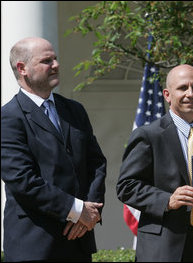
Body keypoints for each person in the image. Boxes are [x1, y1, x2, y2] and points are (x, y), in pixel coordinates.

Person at [1, 37, 107, 262]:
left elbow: (96, 163)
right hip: (35, 246)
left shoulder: (74, 110)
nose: (56, 65)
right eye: (47, 61)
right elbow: (23, 181)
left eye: (55, 59)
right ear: (23, 69)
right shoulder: (9, 118)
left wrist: (90, 213)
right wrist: (77, 210)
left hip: (78, 243)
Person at [116, 64, 193, 262]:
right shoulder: (148, 135)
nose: (190, 93)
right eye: (183, 88)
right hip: (162, 246)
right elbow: (126, 187)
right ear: (167, 94)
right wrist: (167, 200)